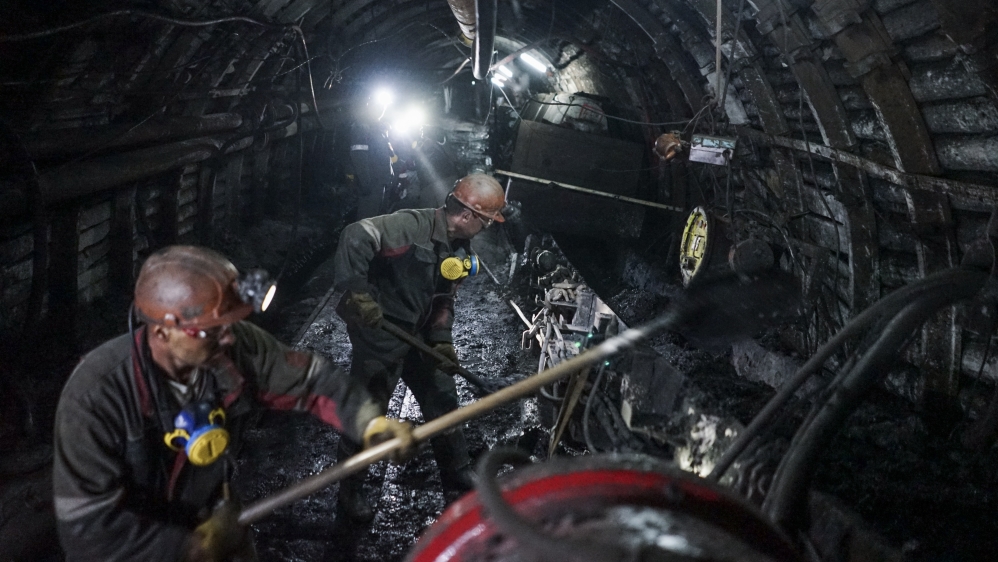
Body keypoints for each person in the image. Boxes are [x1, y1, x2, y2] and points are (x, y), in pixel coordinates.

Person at [52, 246, 406, 562]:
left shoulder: (229, 346)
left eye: (231, 323)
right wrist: (194, 549)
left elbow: (310, 380)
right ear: (162, 331)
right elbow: (87, 527)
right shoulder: (96, 395)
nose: (228, 337)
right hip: (143, 546)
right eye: (211, 329)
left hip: (218, 519)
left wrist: (369, 422)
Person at [332, 173, 506, 521]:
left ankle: (457, 472)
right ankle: (350, 493)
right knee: (367, 414)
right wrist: (357, 293)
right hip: (381, 336)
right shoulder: (411, 227)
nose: (486, 229)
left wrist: (441, 343)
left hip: (419, 336)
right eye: (486, 222)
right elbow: (355, 235)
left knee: (443, 399)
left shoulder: (458, 250)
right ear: (469, 215)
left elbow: (443, 300)